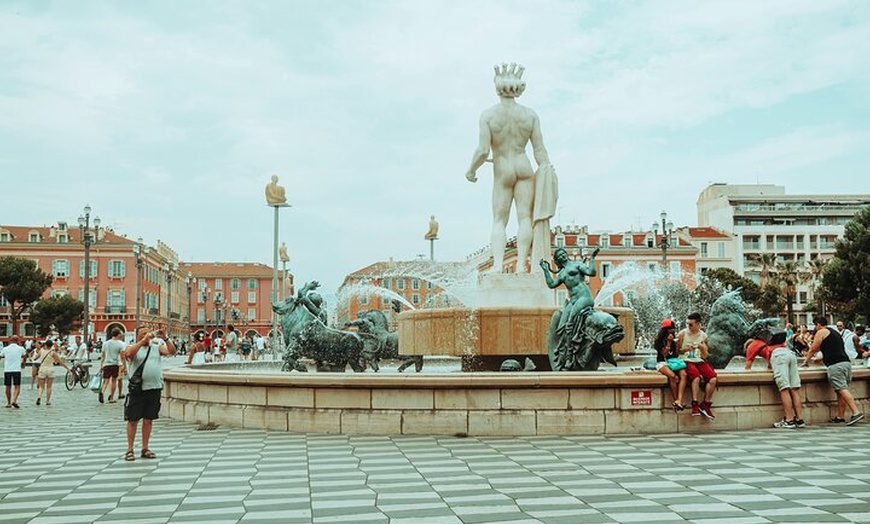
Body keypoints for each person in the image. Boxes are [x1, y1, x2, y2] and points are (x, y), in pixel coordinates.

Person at [466, 63, 557, 273]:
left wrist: (471, 170)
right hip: (524, 166)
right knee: (524, 217)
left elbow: (482, 151)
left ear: (497, 89)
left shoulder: (488, 116)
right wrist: (546, 171)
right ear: (519, 90)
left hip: (502, 169)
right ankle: (521, 265)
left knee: (499, 220)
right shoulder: (530, 115)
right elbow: (539, 150)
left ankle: (498, 265)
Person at [123, 327, 177, 461]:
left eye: (148, 333)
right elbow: (129, 354)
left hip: (154, 388)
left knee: (148, 419)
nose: (147, 335)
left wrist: (165, 338)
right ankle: (130, 449)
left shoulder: (156, 346)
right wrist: (142, 341)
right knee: (133, 420)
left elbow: (172, 352)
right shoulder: (133, 346)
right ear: (137, 336)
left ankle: (145, 448)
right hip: (138, 389)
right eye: (143, 333)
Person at [803, 317, 864, 425]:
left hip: (836, 366)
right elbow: (836, 349)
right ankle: (840, 416)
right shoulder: (835, 333)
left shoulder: (821, 332)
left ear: (818, 324)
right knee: (841, 391)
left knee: (841, 389)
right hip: (846, 363)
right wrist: (822, 359)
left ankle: (856, 412)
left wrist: (806, 361)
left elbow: (813, 348)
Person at [744, 331, 805, 428]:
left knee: (784, 388)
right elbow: (770, 362)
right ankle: (799, 419)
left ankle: (788, 420)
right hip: (789, 353)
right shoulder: (764, 343)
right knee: (794, 388)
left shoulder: (751, 346)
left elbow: (748, 366)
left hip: (779, 356)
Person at [677, 312, 717, 419]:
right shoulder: (682, 334)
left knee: (713, 378)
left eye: (691, 324)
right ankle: (694, 403)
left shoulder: (703, 336)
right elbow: (676, 352)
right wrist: (684, 349)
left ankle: (705, 404)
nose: (688, 326)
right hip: (686, 360)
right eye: (687, 324)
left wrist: (702, 348)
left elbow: (705, 355)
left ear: (698, 324)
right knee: (695, 377)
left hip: (699, 361)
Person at [653, 320, 687, 412]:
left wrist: (676, 344)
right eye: (670, 329)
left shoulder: (673, 339)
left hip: (674, 362)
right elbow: (664, 354)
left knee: (684, 375)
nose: (672, 330)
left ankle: (679, 399)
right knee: (672, 376)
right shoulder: (659, 341)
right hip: (662, 363)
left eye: (673, 329)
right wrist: (668, 342)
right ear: (665, 330)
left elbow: (675, 354)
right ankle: (676, 400)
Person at [33, 339, 70, 406]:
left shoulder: (41, 350)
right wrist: (67, 368)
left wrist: (34, 358)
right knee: (49, 387)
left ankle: (39, 397)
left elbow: (36, 358)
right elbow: (60, 362)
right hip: (50, 369)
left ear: (46, 345)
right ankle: (47, 401)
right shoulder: (53, 353)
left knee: (41, 386)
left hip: (42, 369)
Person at [99, 328, 125, 404]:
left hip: (106, 364)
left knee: (106, 381)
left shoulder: (105, 343)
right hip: (115, 364)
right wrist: (124, 365)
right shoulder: (120, 344)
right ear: (118, 334)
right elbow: (122, 356)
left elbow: (103, 355)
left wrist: (101, 365)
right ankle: (111, 397)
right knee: (114, 381)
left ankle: (102, 391)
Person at [2, 335, 27, 408]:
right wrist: (23, 363)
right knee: (17, 386)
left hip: (7, 369)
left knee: (8, 387)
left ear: (10, 340)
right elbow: (25, 356)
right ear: (18, 341)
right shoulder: (21, 348)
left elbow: (1, 356)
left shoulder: (5, 349)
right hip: (16, 369)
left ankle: (9, 403)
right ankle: (14, 400)